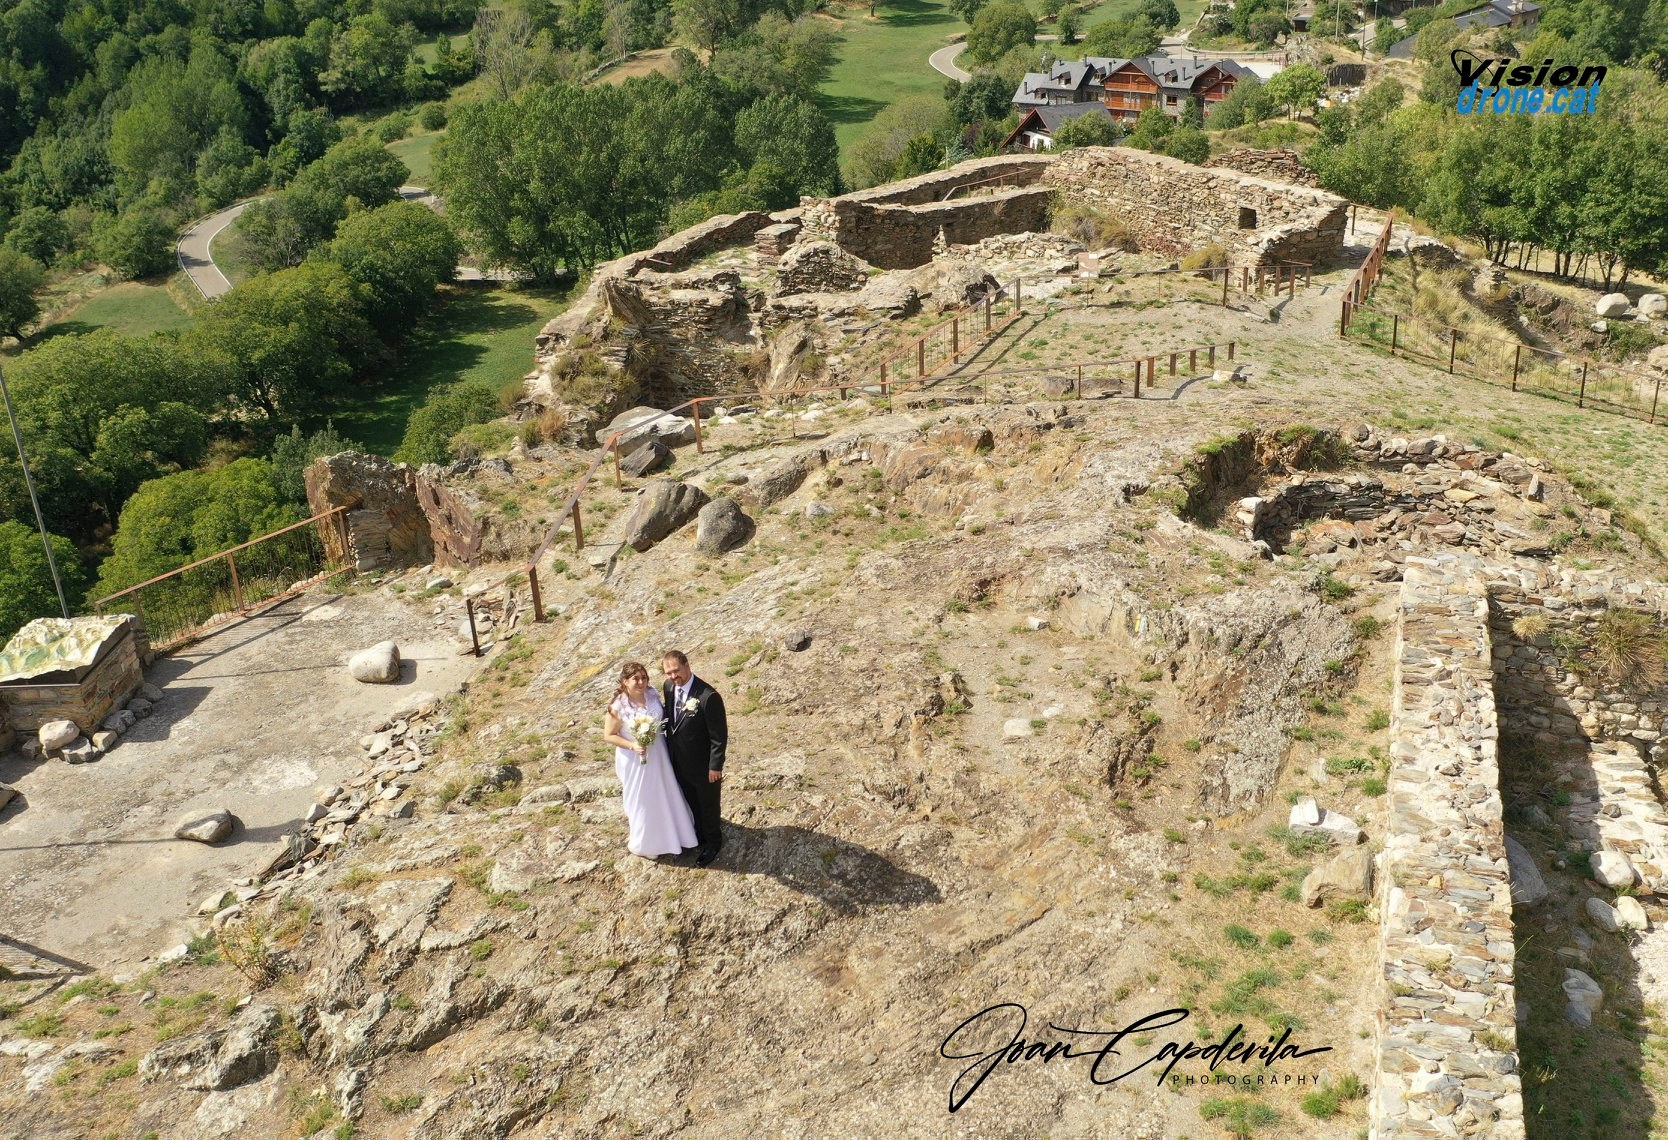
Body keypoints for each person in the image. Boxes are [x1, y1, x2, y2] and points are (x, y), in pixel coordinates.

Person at [602, 661, 696, 859]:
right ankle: (647, 842)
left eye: (644, 677)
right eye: (636, 678)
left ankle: (677, 835)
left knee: (666, 789)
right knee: (643, 797)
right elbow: (609, 735)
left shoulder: (652, 694)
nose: (641, 682)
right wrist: (633, 745)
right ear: (625, 681)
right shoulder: (617, 706)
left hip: (659, 752)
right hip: (636, 758)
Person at [660, 649, 728, 867]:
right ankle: (698, 836)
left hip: (704, 766)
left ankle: (713, 843)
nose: (673, 676)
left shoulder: (708, 696)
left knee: (708, 805)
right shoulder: (669, 688)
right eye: (668, 672)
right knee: (692, 802)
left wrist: (715, 767)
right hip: (679, 762)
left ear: (687, 666)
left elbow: (719, 737)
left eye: (676, 671)